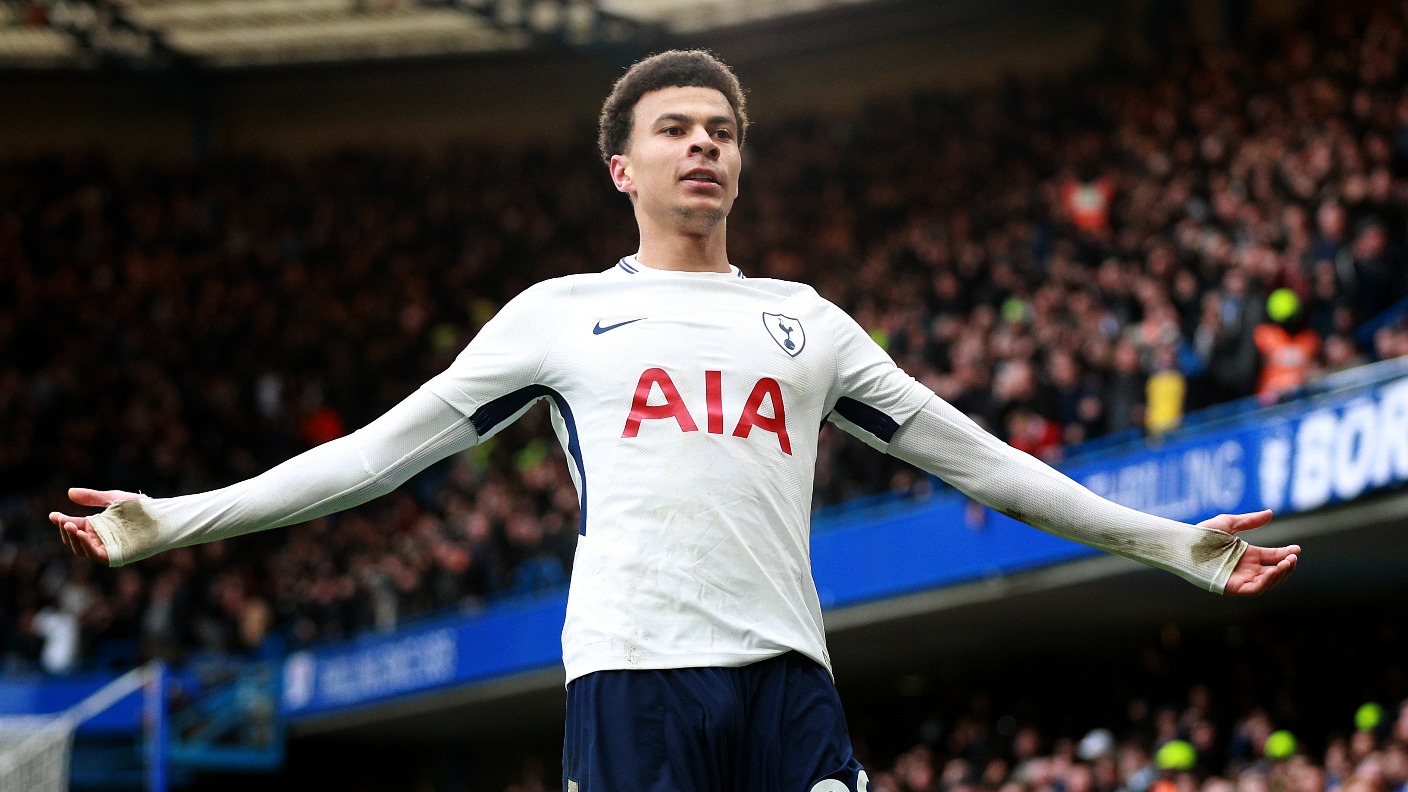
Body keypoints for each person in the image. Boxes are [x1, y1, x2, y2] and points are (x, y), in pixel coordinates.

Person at [51, 50, 1299, 792]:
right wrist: (172, 523)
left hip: (788, 678)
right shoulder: (558, 315)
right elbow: (376, 456)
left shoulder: (807, 322)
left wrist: (1169, 545)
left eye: (722, 132)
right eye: (676, 131)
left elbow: (979, 460)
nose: (703, 145)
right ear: (623, 169)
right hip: (633, 676)